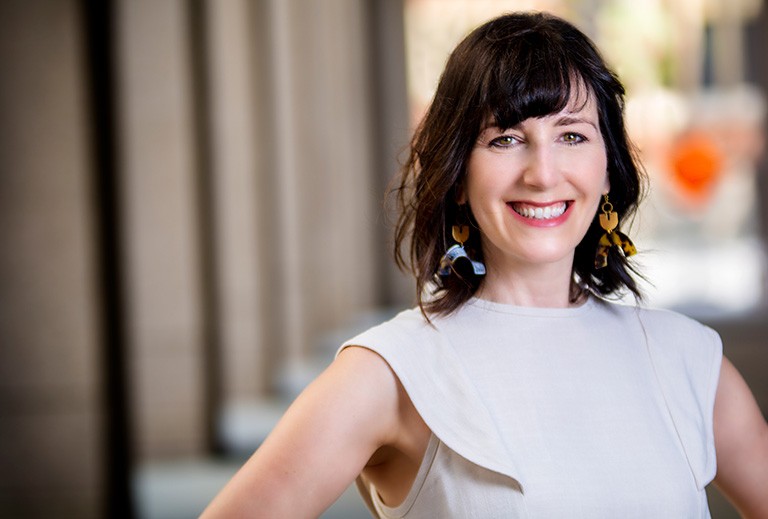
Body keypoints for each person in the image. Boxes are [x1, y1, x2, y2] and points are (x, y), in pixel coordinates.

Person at [202, 11, 768, 518]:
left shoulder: (689, 361)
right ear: (456, 175)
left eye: (572, 135)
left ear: (607, 166)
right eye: (504, 140)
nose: (543, 173)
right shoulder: (393, 371)